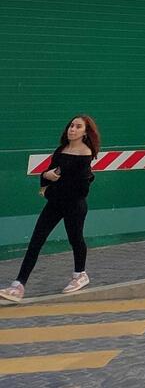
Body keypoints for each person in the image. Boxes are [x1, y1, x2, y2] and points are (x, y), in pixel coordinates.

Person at [1, 115, 100, 302]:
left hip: (74, 205)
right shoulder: (62, 150)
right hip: (55, 203)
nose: (72, 129)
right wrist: (47, 175)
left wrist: (59, 180)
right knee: (36, 241)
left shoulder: (85, 154)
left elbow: (82, 188)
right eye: (71, 125)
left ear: (85, 132)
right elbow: (49, 172)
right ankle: (18, 285)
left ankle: (80, 274)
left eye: (78, 127)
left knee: (75, 239)